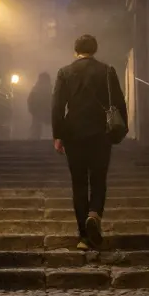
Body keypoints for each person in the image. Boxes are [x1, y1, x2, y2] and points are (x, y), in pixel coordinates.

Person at [52, 34, 127, 249]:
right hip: (100, 134)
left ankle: (84, 237)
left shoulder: (65, 73)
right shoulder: (107, 71)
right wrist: (120, 131)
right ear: (95, 49)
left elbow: (57, 106)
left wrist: (58, 134)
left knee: (78, 182)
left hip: (74, 134)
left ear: (76, 50)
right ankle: (94, 214)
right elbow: (119, 102)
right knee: (98, 179)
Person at [27, 72, 54, 140]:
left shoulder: (49, 88)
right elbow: (31, 100)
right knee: (36, 124)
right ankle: (35, 137)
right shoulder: (37, 89)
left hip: (47, 111)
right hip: (39, 111)